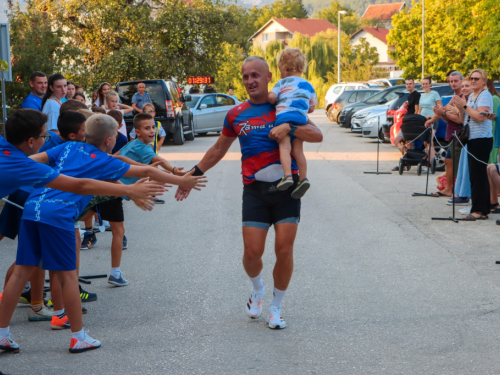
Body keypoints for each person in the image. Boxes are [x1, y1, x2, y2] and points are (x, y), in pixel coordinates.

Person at [0, 110, 166, 353]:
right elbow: (84, 184)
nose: (48, 139)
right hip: (58, 214)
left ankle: (3, 333)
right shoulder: (97, 158)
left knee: (20, 273)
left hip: (32, 209)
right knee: (68, 276)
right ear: (109, 140)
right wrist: (182, 181)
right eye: (45, 136)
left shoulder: (61, 150)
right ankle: (78, 336)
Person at [175, 56, 323, 329]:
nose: (250, 81)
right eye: (245, 76)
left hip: (286, 190)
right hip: (254, 190)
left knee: (284, 250)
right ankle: (258, 288)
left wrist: (289, 126)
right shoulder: (236, 113)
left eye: (256, 75)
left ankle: (276, 308)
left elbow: (317, 135)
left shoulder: (283, 107)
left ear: (269, 78)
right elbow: (218, 150)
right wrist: (190, 176)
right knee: (252, 254)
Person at [267, 47, 318, 199]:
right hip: (300, 119)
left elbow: (271, 98)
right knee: (298, 150)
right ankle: (303, 179)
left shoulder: (282, 82)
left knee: (284, 146)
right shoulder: (308, 85)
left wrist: (272, 97)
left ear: (284, 68)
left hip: (283, 117)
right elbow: (312, 108)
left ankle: (288, 176)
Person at [453, 69, 494, 220]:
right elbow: (466, 118)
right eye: (471, 78)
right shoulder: (472, 96)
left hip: (481, 139)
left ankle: (478, 210)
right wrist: (460, 107)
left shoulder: (485, 95)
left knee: (478, 175)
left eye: (477, 78)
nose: (473, 81)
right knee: (476, 175)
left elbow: (480, 117)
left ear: (484, 81)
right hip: (473, 138)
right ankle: (482, 209)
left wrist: (465, 106)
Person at [426, 71, 464, 198]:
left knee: (456, 163)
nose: (452, 83)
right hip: (452, 133)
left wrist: (443, 113)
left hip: (460, 134)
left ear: (462, 81)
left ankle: (459, 192)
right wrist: (432, 118)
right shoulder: (454, 97)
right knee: (448, 160)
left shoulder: (463, 97)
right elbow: (444, 112)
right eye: (450, 81)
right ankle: (449, 188)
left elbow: (459, 120)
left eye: (455, 81)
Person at [392, 78, 421, 171]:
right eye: (407, 84)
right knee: (397, 141)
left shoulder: (417, 95)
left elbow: (417, 111)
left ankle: (406, 163)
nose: (408, 85)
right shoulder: (409, 96)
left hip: (411, 123)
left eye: (410, 84)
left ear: (414, 85)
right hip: (406, 122)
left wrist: (414, 121)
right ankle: (406, 160)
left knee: (408, 143)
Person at [487, 79, 500, 164]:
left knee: (492, 161)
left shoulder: (494, 98)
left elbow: (497, 118)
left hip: (493, 131)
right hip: (490, 131)